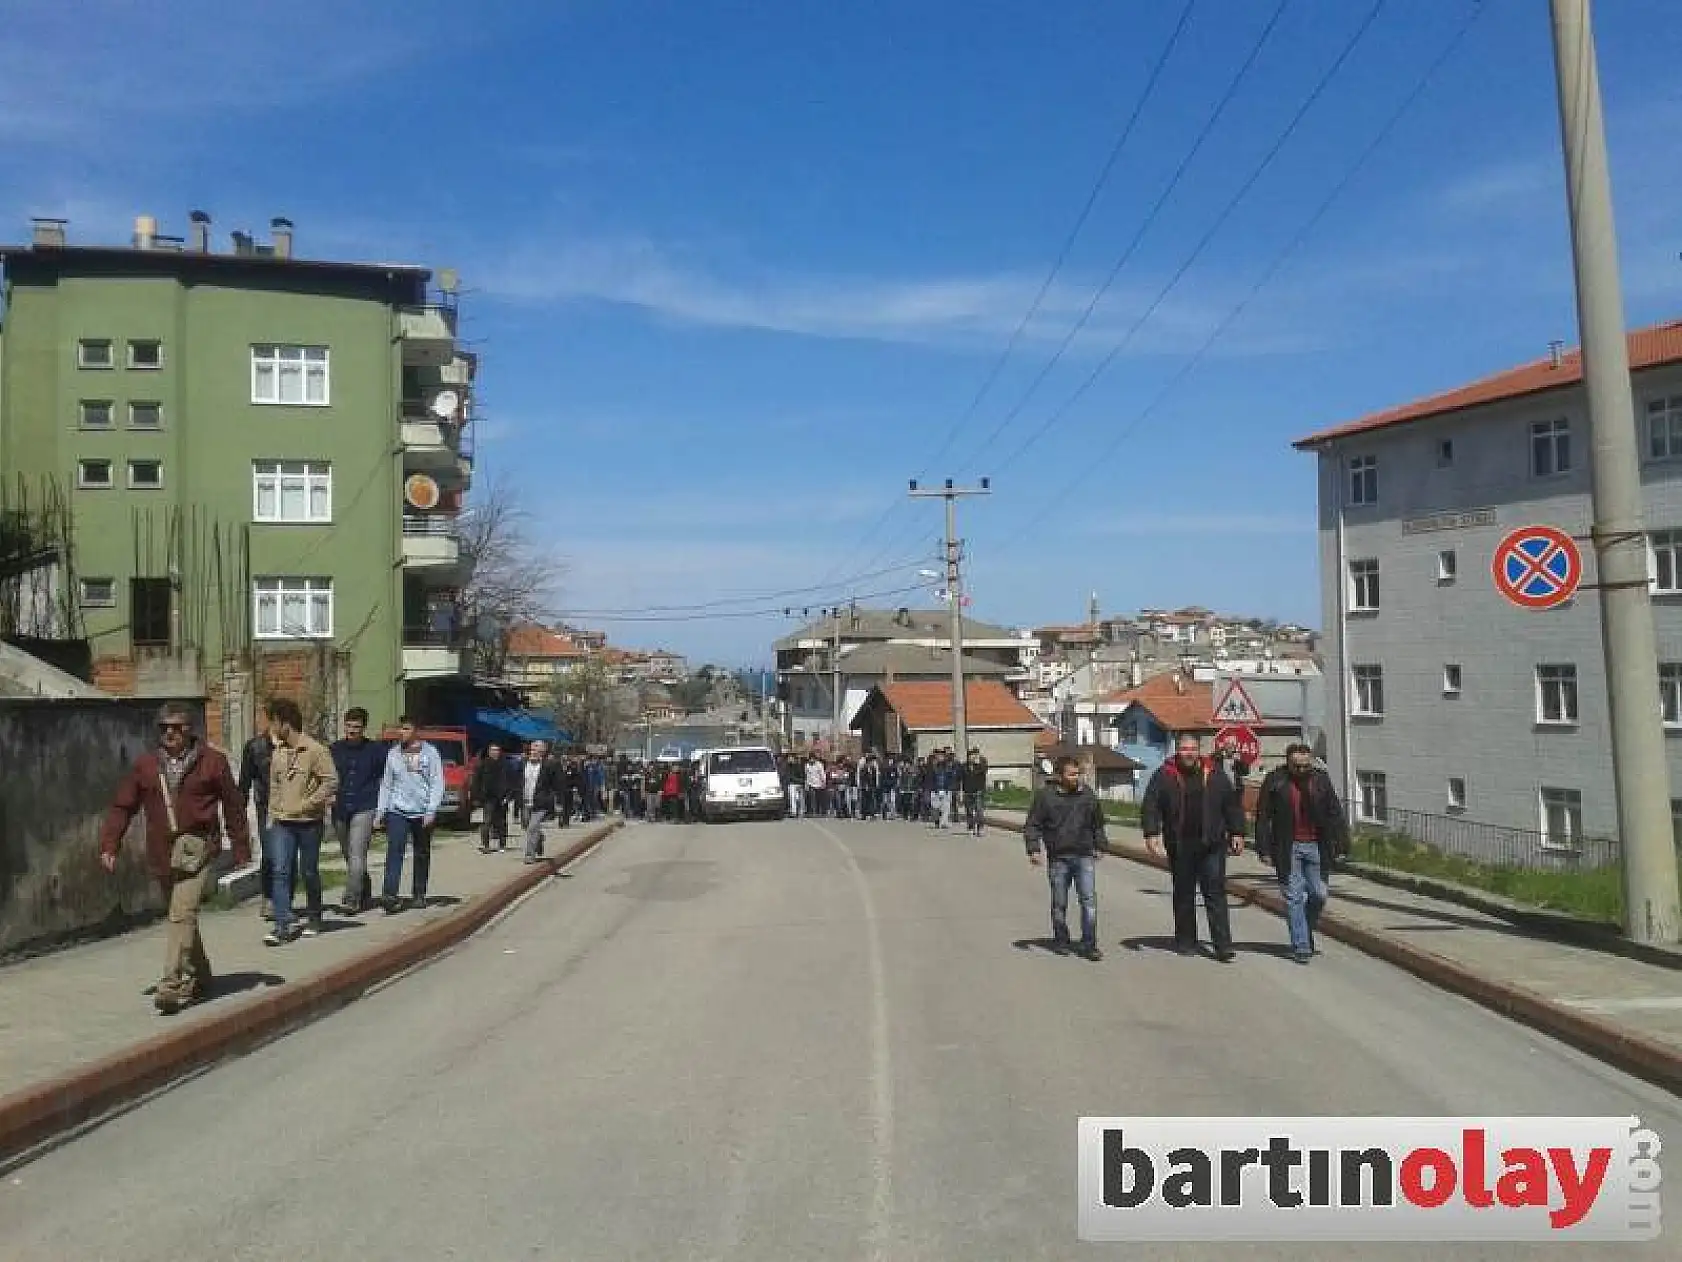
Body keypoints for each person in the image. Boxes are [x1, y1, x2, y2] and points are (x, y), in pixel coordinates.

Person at [99, 702, 251, 1013]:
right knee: (183, 916)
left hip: (198, 849)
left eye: (177, 727)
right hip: (162, 852)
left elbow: (233, 805)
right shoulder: (146, 765)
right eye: (163, 727)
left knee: (181, 913)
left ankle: (171, 983)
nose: (170, 733)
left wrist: (240, 848)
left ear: (190, 730)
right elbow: (122, 805)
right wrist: (110, 844)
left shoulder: (213, 762)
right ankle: (202, 974)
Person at [1141, 734, 1245, 962]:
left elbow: (1231, 804)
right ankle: (1186, 940)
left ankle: (1222, 945)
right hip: (1180, 844)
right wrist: (1151, 833)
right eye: (1184, 749)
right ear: (1178, 751)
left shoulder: (1214, 773)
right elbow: (1151, 805)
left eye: (1193, 749)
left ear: (1199, 750)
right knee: (1184, 894)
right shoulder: (1165, 774)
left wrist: (1237, 832)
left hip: (1212, 844)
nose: (1189, 753)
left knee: (1215, 894)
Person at [1254, 743, 1350, 964]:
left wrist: (1342, 843)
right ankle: (1301, 945)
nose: (1301, 770)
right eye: (1296, 766)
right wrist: (1264, 848)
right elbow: (1263, 816)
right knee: (1294, 897)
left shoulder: (1321, 780)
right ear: (1288, 763)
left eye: (1305, 766)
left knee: (1319, 894)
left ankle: (1304, 930)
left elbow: (1334, 812)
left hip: (1317, 845)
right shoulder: (1275, 780)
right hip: (1287, 847)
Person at [264, 697, 339, 944]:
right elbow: (275, 786)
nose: (271, 729)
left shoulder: (316, 750)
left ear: (285, 723)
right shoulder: (278, 753)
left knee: (309, 871)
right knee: (281, 871)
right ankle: (282, 925)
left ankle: (314, 916)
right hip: (283, 822)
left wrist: (308, 803)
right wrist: (273, 815)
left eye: (273, 722)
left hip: (309, 822)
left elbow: (331, 782)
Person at [1023, 755, 1107, 960]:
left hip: (1083, 855)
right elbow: (1033, 824)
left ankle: (1089, 944)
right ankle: (1061, 939)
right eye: (1071, 774)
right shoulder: (1045, 797)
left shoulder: (1087, 795)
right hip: (1058, 857)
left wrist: (1100, 845)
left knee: (1088, 900)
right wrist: (1034, 849)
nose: (1075, 778)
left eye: (1077, 774)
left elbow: (1097, 822)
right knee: (1059, 902)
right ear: (1059, 776)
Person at [377, 717, 445, 907]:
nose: (402, 732)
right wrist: (381, 810)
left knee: (421, 852)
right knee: (394, 850)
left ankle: (419, 893)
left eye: (406, 729)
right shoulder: (393, 754)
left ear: (416, 731)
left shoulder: (430, 753)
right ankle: (390, 894)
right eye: (400, 728)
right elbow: (387, 784)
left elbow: (437, 782)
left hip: (422, 811)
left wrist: (431, 809)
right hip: (397, 810)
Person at [328, 707, 384, 913]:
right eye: (349, 726)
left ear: (364, 728)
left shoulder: (375, 750)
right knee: (348, 854)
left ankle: (351, 899)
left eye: (357, 727)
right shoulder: (334, 749)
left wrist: (382, 808)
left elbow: (385, 777)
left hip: (365, 806)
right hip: (340, 808)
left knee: (357, 853)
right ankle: (364, 888)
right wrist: (328, 794)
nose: (352, 731)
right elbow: (325, 776)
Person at [237, 708, 286, 922]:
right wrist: (238, 811)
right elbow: (244, 781)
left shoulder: (294, 744)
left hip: (292, 807)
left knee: (287, 856)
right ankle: (269, 897)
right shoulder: (255, 747)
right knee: (270, 854)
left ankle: (284, 899)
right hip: (266, 806)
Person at [516, 740, 557, 862]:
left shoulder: (549, 766)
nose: (533, 752)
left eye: (537, 750)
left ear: (542, 753)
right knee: (525, 825)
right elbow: (516, 780)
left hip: (541, 802)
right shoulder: (523, 764)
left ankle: (529, 855)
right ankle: (539, 837)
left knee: (532, 827)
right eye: (532, 750)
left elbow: (557, 784)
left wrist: (556, 801)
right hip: (525, 801)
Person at [472, 742, 516, 852]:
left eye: (497, 750)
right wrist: (476, 797)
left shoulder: (506, 765)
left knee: (501, 822)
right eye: (492, 750)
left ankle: (502, 844)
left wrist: (509, 795)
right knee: (487, 821)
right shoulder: (482, 764)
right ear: (489, 752)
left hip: (502, 797)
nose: (495, 752)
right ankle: (485, 845)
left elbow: (512, 781)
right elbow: (476, 781)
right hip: (488, 798)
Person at [962, 747, 990, 837]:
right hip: (967, 791)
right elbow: (961, 778)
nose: (972, 757)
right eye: (970, 756)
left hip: (978, 791)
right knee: (969, 811)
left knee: (979, 811)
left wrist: (978, 764)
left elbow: (984, 771)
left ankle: (980, 828)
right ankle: (971, 828)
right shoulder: (964, 766)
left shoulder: (982, 764)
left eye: (974, 755)